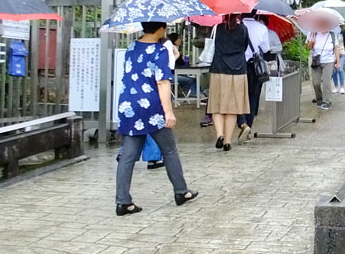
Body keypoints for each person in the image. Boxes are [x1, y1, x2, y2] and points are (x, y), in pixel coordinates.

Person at [115, 21, 197, 215]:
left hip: (129, 105)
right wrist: (168, 112)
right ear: (160, 29)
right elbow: (162, 82)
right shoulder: (159, 51)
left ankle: (122, 201)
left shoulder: (132, 47)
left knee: (128, 155)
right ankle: (181, 191)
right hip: (151, 107)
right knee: (169, 150)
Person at [205, 14, 250, 151]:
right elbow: (244, 47)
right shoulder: (243, 29)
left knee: (217, 105)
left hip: (218, 69)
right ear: (239, 15)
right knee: (233, 108)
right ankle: (228, 142)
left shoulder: (217, 28)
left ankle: (220, 134)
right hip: (238, 70)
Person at [237, 14, 271, 140]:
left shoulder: (238, 27)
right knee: (253, 96)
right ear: (255, 13)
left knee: (239, 95)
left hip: (239, 66)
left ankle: (242, 122)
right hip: (255, 67)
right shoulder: (261, 28)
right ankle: (249, 127)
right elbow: (266, 48)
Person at [306, 29, 338, 110]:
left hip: (329, 61)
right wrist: (312, 42)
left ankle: (327, 101)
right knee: (316, 82)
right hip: (316, 61)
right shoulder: (313, 33)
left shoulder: (332, 34)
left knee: (326, 81)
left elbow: (336, 48)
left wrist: (338, 62)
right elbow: (308, 47)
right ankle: (319, 98)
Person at [331, 23, 345, 95]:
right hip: (333, 53)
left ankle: (342, 87)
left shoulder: (344, 32)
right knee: (334, 71)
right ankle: (336, 87)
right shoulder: (331, 33)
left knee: (340, 69)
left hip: (342, 52)